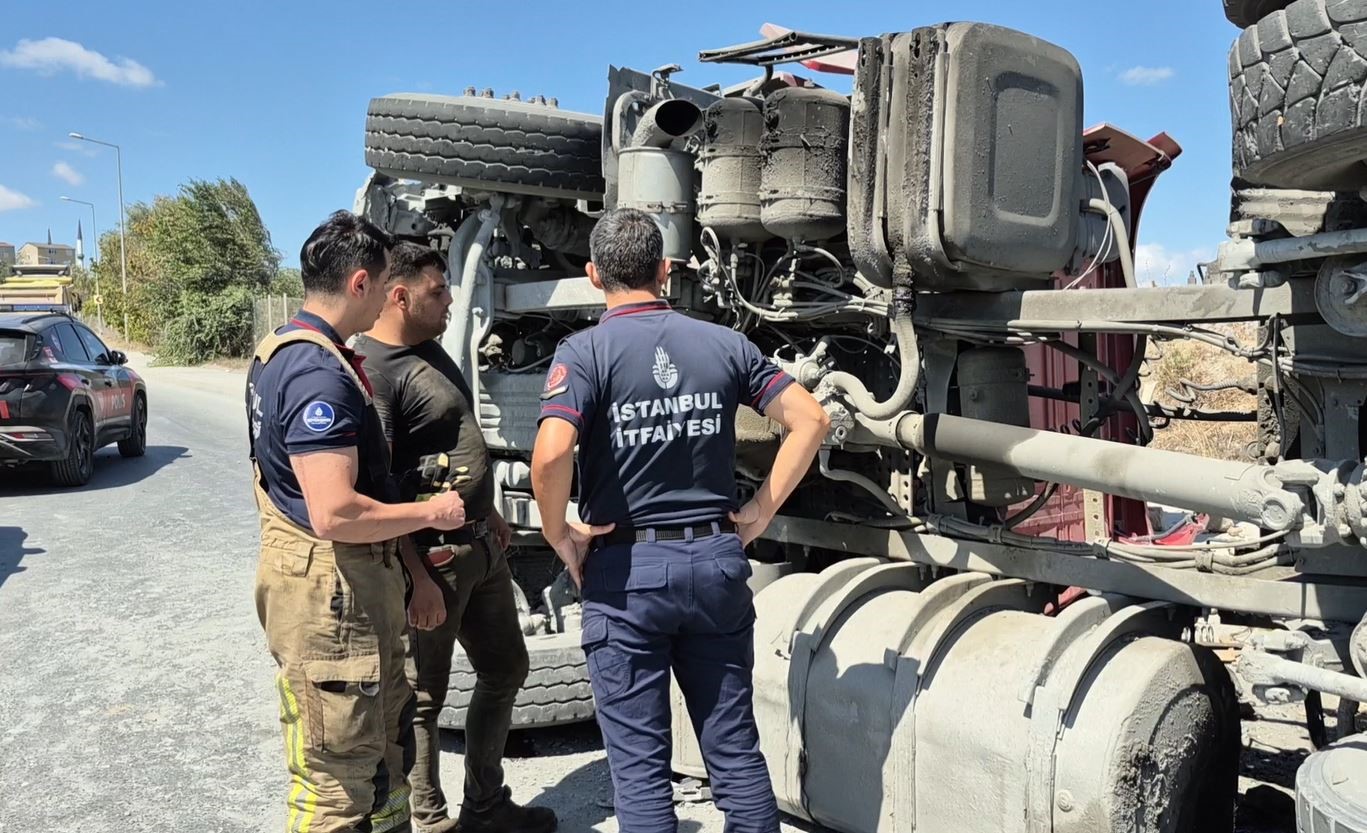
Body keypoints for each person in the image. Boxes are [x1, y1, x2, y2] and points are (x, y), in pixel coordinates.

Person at [530, 208, 831, 833]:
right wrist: (759, 511)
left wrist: (559, 533)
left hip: (627, 572)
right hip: (716, 564)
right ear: (665, 270)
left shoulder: (584, 353)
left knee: (640, 772)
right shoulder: (722, 342)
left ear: (593, 276)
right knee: (735, 751)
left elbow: (553, 450)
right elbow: (812, 420)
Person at [247, 211, 467, 833]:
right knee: (336, 789)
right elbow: (335, 509)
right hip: (331, 607)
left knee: (383, 772)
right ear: (361, 283)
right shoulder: (319, 373)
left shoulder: (283, 351)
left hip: (347, 600)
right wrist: (431, 511)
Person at [355, 241, 557, 833]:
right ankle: (431, 817)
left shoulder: (429, 349)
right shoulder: (377, 373)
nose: (449, 302)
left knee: (506, 668)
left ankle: (485, 806)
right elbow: (383, 487)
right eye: (437, 292)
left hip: (480, 547)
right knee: (423, 700)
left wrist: (490, 511)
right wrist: (417, 577)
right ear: (399, 296)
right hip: (433, 563)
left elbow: (459, 439)